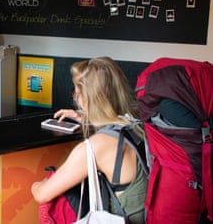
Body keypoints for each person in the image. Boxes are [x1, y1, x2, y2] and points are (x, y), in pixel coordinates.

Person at [31, 57, 147, 224]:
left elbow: (42, 194)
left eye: (77, 93)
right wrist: (85, 118)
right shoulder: (137, 124)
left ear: (86, 98)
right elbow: (113, 127)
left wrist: (36, 184)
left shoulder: (94, 147)